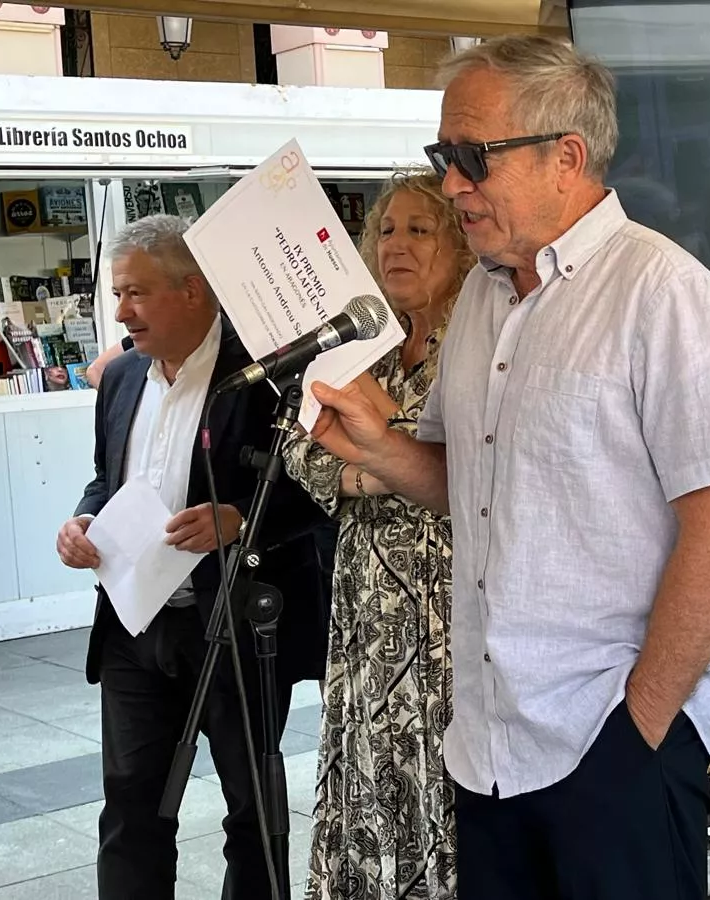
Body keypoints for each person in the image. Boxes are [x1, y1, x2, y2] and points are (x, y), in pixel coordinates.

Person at [305, 34, 710, 900]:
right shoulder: (483, 295)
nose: (450, 185)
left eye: (471, 156)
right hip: (488, 743)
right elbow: (465, 480)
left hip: (611, 739)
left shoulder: (664, 297)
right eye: (444, 156)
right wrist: (378, 445)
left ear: (567, 157)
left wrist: (642, 727)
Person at [55, 214, 330, 900]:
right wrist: (85, 520)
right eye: (118, 293)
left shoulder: (268, 374)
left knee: (253, 813)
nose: (121, 311)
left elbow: (319, 491)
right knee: (129, 808)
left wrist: (242, 523)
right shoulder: (120, 378)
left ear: (194, 291)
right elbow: (106, 476)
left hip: (232, 630)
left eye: (135, 293)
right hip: (133, 628)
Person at [282, 168, 473, 900]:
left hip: (448, 609)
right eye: (386, 231)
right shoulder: (360, 345)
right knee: (369, 768)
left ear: (458, 246)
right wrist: (377, 470)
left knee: (444, 786)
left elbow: (477, 457)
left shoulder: (477, 342)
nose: (397, 245)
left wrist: (368, 454)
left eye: (420, 230)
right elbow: (297, 445)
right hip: (367, 605)